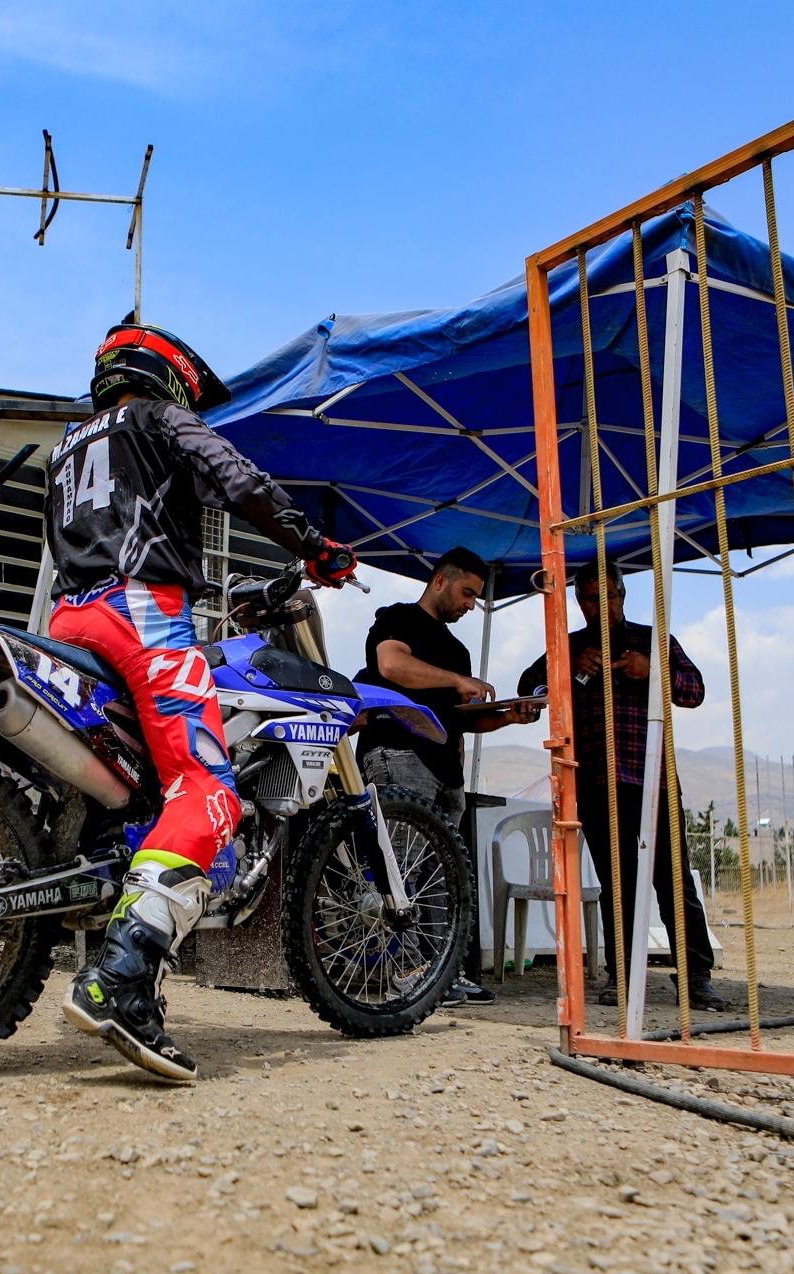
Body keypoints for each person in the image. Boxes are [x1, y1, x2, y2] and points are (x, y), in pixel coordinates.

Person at [51, 319, 357, 1082]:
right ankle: (120, 976)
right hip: (141, 612)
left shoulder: (68, 442)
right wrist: (314, 546)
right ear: (169, 376)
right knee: (210, 792)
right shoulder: (158, 417)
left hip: (70, 618)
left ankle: (119, 920)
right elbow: (239, 479)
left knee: (137, 787)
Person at [518, 564, 724, 1011]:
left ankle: (696, 977)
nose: (602, 607)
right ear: (579, 603)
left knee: (674, 882)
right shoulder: (568, 647)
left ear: (623, 595)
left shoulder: (653, 640)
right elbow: (528, 689)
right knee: (618, 884)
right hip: (596, 784)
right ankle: (624, 976)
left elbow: (694, 691)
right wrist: (566, 668)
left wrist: (652, 671)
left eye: (608, 597)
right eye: (592, 599)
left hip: (654, 783)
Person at [354, 546, 540, 1005]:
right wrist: (456, 680)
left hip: (445, 773)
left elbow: (460, 718)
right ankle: (405, 970)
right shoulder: (398, 618)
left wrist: (507, 716)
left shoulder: (457, 650)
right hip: (399, 754)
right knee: (400, 869)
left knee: (440, 876)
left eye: (476, 597)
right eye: (467, 593)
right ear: (440, 581)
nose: (471, 605)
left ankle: (440, 974)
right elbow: (391, 665)